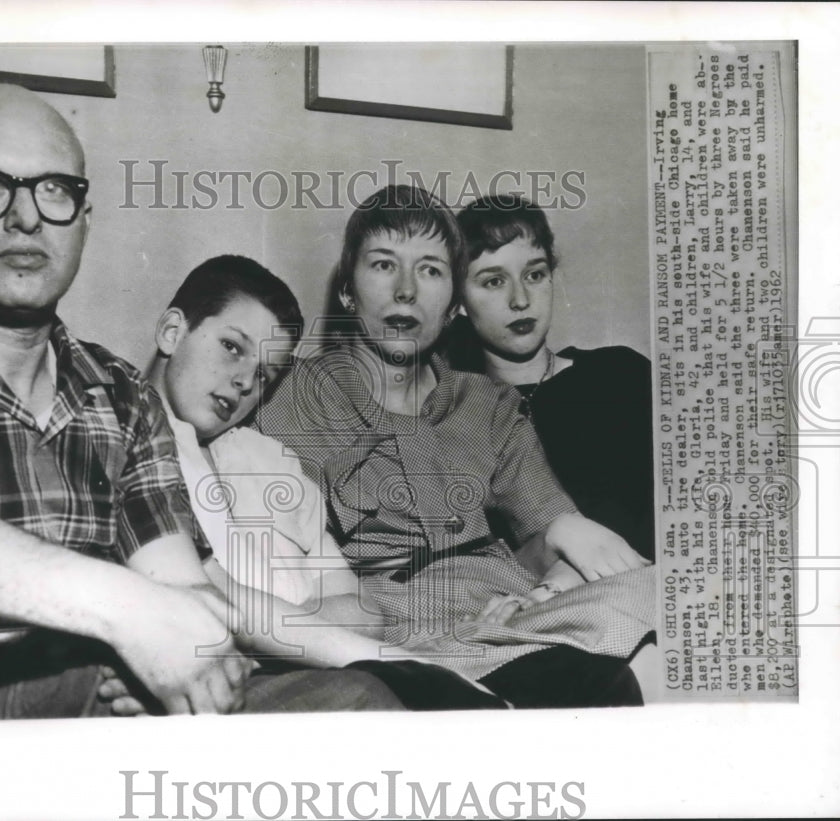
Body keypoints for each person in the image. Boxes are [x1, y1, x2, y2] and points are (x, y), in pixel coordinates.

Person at [0, 84, 400, 721]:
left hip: (104, 709)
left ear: (84, 223)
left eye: (55, 188)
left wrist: (407, 668)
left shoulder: (120, 393)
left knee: (367, 705)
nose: (26, 217)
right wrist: (127, 615)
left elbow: (183, 587)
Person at [255, 185, 655, 708]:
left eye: (430, 271)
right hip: (394, 627)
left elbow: (543, 528)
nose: (405, 292)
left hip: (509, 611)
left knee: (668, 598)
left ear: (451, 306)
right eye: (383, 265)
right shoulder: (294, 397)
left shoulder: (487, 403)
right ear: (349, 292)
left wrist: (534, 586)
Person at [99, 254, 510, 713]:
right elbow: (207, 593)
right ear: (172, 332)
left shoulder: (275, 463)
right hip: (235, 681)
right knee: (376, 701)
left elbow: (362, 612)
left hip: (275, 672)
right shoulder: (123, 426)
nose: (241, 382)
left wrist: (262, 641)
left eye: (263, 375)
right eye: (232, 347)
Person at [446, 195, 654, 561]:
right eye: (494, 282)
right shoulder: (457, 414)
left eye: (535, 275)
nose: (521, 299)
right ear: (459, 300)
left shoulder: (622, 376)